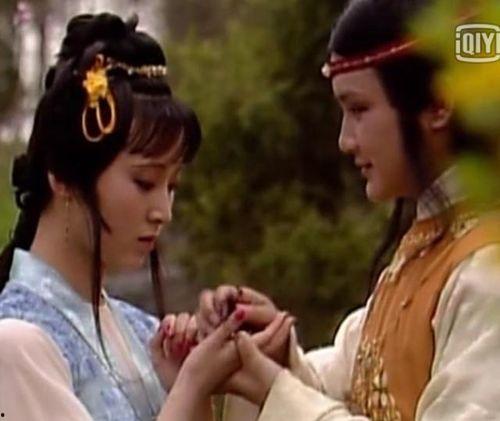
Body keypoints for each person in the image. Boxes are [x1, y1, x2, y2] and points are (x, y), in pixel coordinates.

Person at [178, 0, 500, 420]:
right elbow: (348, 382)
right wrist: (274, 355)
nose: (345, 140)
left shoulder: (489, 267)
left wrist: (278, 391)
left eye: (359, 109)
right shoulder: (427, 248)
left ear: (439, 104)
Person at [0, 12, 208, 420]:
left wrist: (190, 383)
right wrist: (194, 385)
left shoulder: (146, 334)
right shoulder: (14, 344)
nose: (164, 212)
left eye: (172, 187)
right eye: (145, 182)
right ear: (63, 176)